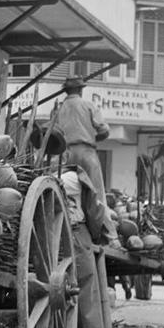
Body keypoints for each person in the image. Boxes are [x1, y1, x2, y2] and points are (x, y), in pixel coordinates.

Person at [53, 76, 120, 246]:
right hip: (86, 151)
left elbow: (52, 132)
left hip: (65, 153)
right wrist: (92, 136)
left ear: (65, 91)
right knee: (97, 194)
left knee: (66, 191)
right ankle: (111, 238)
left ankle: (62, 232)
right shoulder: (88, 106)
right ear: (81, 90)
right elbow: (104, 130)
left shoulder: (58, 109)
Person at [60, 165, 112, 328]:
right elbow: (94, 212)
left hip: (57, 232)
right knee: (87, 300)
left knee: (58, 299)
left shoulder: (59, 176)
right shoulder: (78, 178)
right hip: (79, 235)